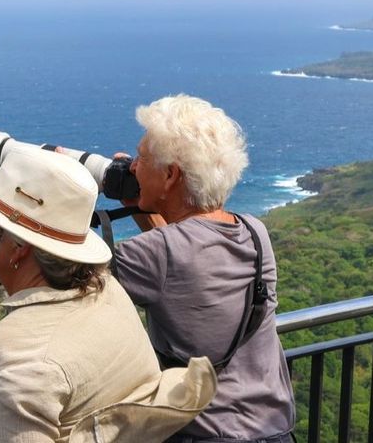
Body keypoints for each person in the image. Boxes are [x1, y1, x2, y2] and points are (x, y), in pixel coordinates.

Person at [0, 145, 215, 442]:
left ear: (17, 247)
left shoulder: (21, 366)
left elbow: (32, 367)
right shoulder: (107, 292)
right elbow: (60, 361)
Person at [112, 94, 296, 442]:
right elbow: (187, 259)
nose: (133, 167)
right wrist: (146, 208)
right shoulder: (255, 231)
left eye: (141, 158)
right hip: (274, 429)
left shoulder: (154, 252)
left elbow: (67, 283)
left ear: (170, 175)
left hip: (206, 435)